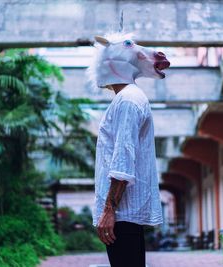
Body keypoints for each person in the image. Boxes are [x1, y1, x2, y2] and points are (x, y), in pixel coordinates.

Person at [90, 33, 170, 267]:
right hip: (125, 214)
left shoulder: (127, 100)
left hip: (122, 214)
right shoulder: (127, 98)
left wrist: (108, 210)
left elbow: (123, 159)